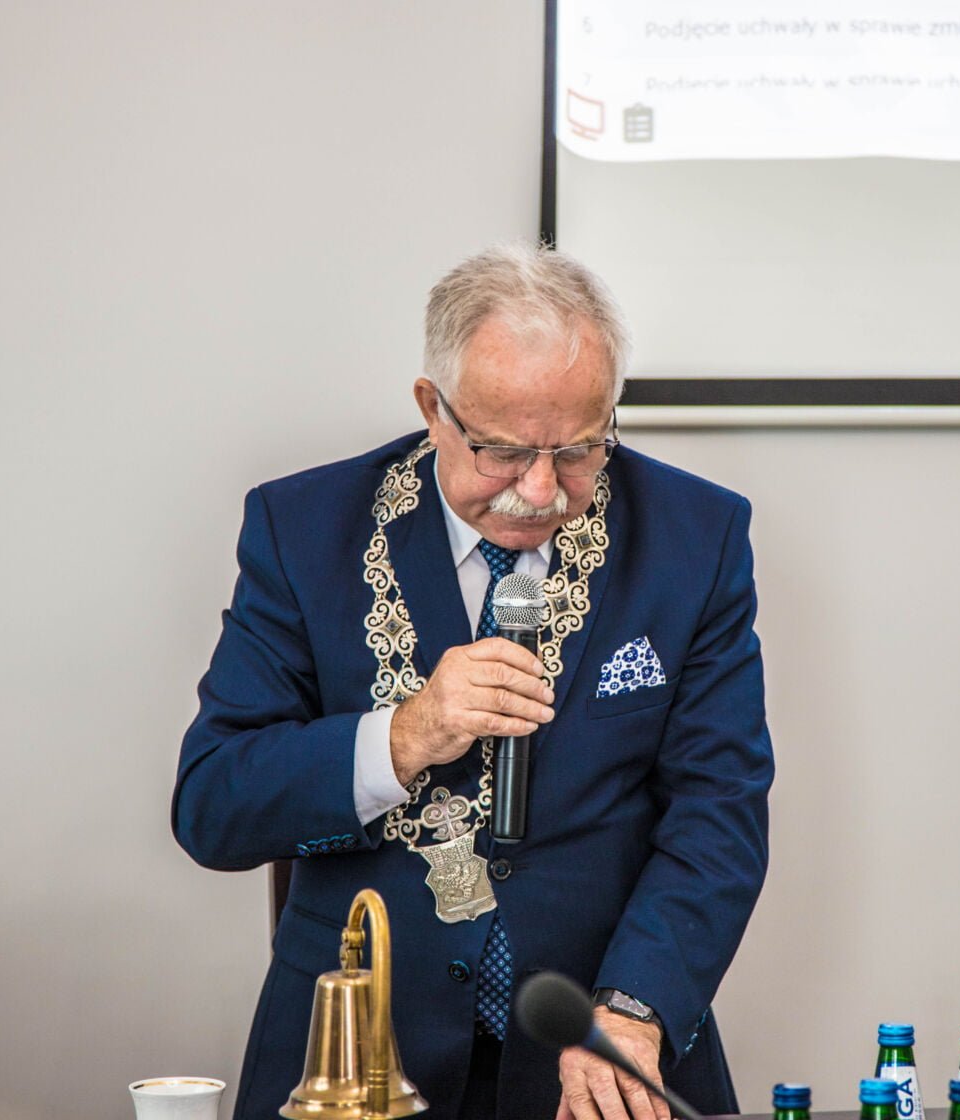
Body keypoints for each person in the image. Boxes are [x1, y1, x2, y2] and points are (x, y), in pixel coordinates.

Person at [173, 244, 773, 1120]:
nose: (541, 489)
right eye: (503, 451)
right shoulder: (304, 530)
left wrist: (636, 1010)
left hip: (595, 1044)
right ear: (433, 409)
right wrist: (407, 733)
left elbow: (719, 814)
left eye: (579, 449)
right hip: (357, 1058)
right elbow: (213, 805)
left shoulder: (696, 537)